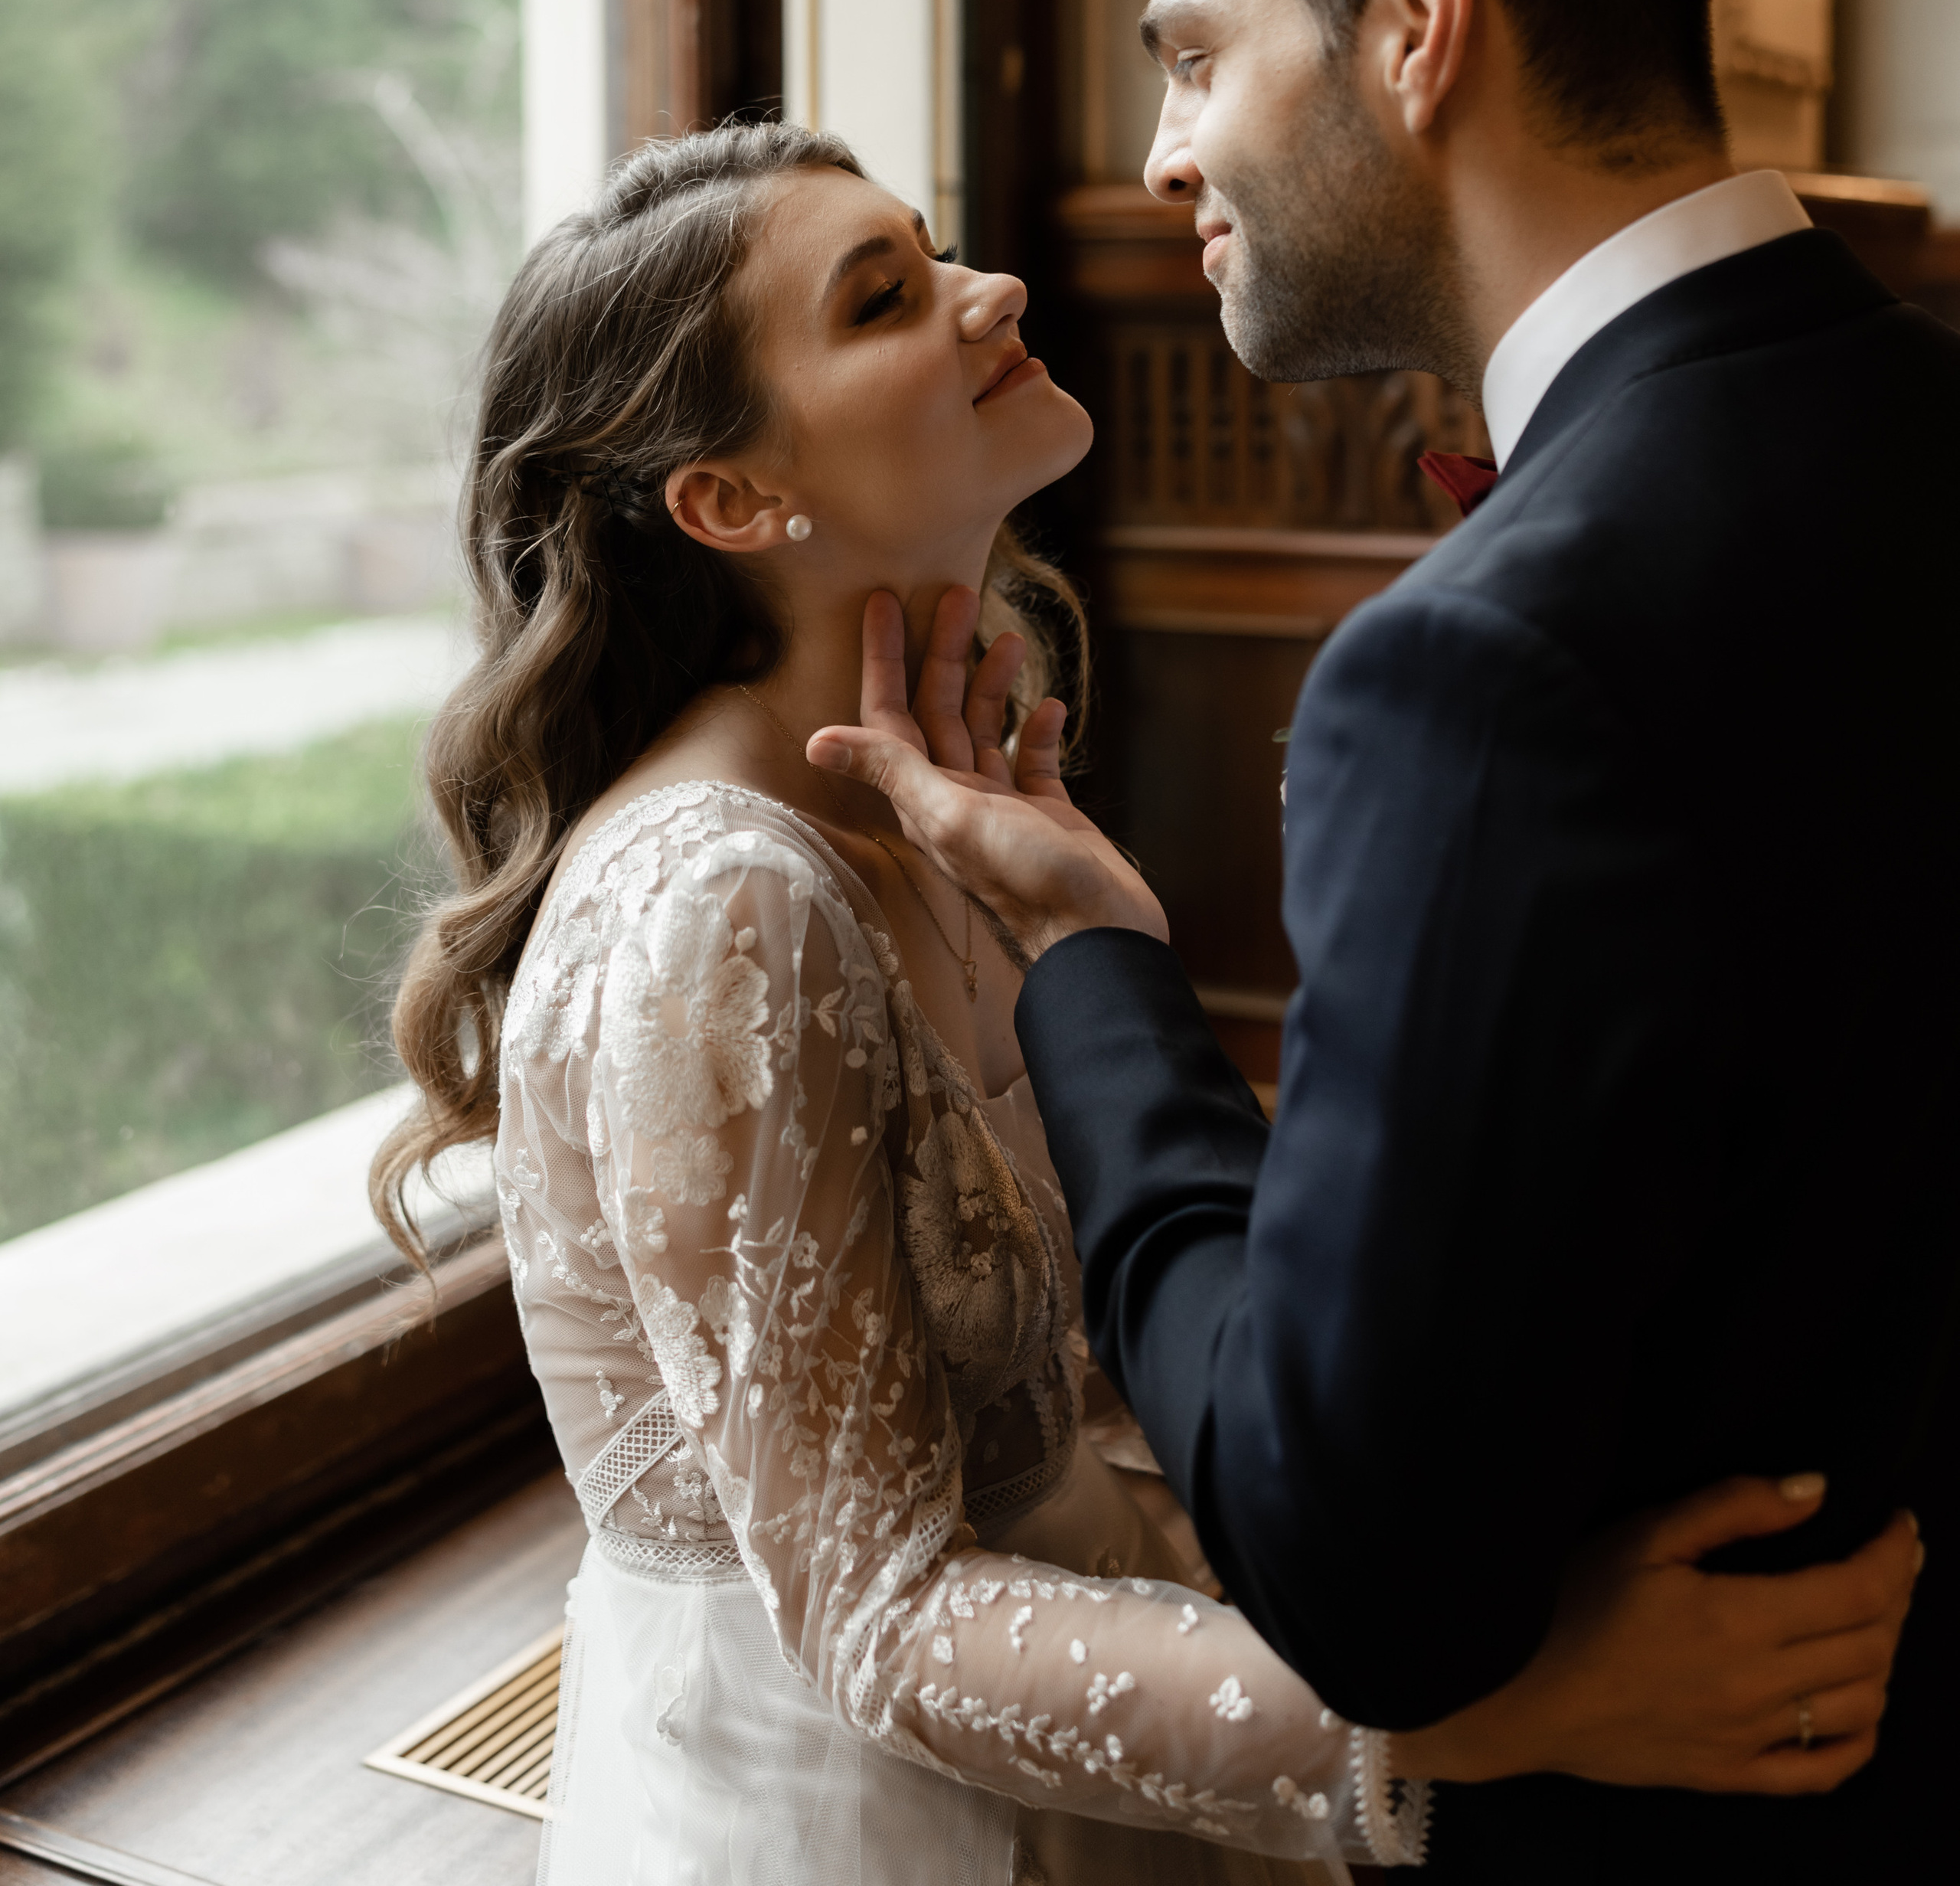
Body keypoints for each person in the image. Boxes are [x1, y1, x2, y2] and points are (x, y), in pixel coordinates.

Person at [375, 102, 1916, 1884]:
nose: (989, 286)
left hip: (1115, 1729)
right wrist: (1479, 1710)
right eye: (884, 297)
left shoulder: (943, 790)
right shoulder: (719, 900)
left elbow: (1108, 1365)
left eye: (932, 244)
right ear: (728, 499)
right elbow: (872, 1618)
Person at [803, 0, 1958, 1882]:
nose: (1161, 157)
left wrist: (1088, 958)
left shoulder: (1488, 665)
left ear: (1419, 22)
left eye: (1200, 53)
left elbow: (1362, 1576)